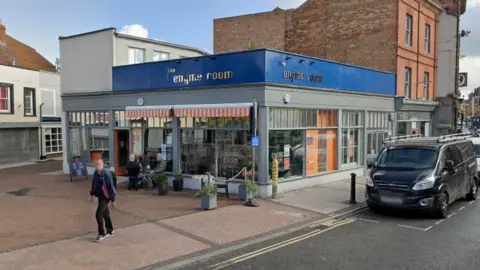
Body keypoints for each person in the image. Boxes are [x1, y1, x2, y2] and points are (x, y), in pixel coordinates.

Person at [89, 159, 116, 242]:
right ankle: (110, 230)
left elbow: (111, 187)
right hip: (100, 196)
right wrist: (92, 194)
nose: (98, 166)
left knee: (98, 214)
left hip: (106, 196)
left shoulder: (106, 174)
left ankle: (101, 233)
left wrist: (113, 199)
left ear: (103, 165)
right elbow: (94, 184)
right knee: (105, 213)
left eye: (99, 164)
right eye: (96, 164)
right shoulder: (96, 173)